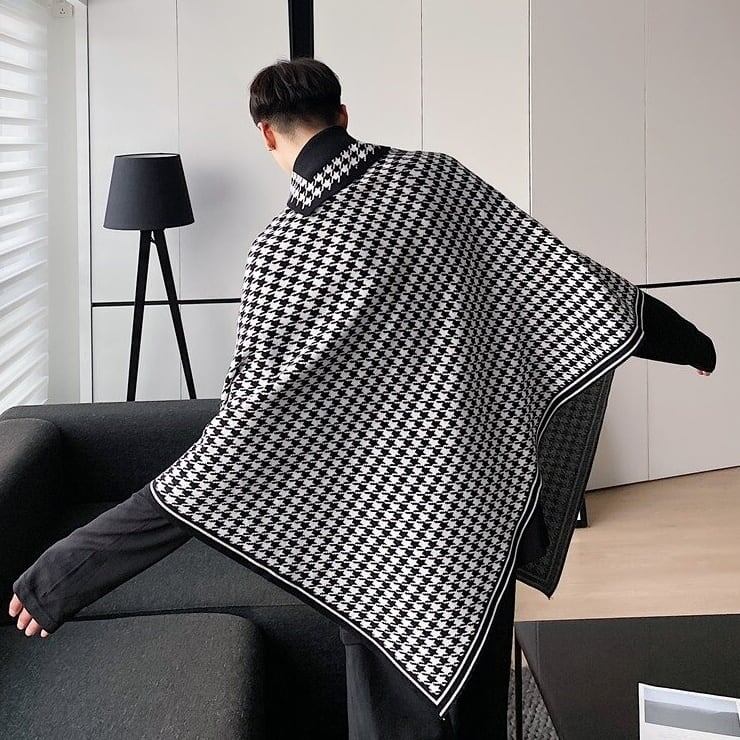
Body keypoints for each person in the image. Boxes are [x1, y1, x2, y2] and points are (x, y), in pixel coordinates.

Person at [8, 58, 716, 739]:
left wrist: (66, 573)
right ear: (343, 115)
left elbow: (236, 441)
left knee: (396, 710)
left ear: (265, 134)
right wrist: (688, 343)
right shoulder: (440, 181)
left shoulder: (284, 254)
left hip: (379, 537)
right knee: (477, 695)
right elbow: (570, 283)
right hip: (477, 500)